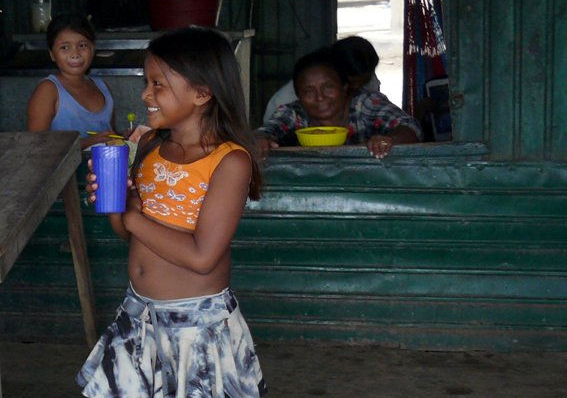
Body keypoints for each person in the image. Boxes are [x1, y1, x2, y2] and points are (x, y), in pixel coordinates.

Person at [78, 27, 267, 398]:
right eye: (145, 82)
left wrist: (132, 215)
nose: (146, 93)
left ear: (201, 92)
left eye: (158, 84)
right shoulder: (148, 145)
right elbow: (130, 235)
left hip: (195, 327)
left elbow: (202, 257)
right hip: (139, 316)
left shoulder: (229, 162)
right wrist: (113, 201)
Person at [255, 48, 422, 159]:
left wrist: (389, 140)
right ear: (298, 96)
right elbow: (265, 132)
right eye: (308, 91)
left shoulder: (365, 104)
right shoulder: (293, 113)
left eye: (328, 87)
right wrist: (261, 140)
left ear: (345, 86)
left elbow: (409, 127)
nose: (320, 97)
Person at [26, 14, 117, 150]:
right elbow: (35, 146)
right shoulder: (48, 90)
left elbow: (108, 136)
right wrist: (86, 142)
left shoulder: (102, 88)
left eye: (82, 45)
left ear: (92, 49)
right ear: (52, 54)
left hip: (105, 169)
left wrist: (122, 136)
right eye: (64, 47)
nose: (75, 53)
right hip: (67, 171)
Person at [262, 35, 381, 123]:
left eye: (363, 82)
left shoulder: (365, 82)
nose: (356, 91)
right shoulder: (283, 103)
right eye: (351, 84)